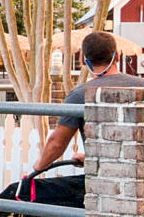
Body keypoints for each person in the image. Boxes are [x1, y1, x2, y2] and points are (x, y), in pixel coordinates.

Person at [23, 30, 126, 178]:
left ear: (84, 61)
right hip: (143, 179)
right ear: (117, 56)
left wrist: (38, 167)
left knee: (14, 193)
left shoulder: (80, 95)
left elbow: (57, 144)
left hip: (102, 181)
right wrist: (88, 158)